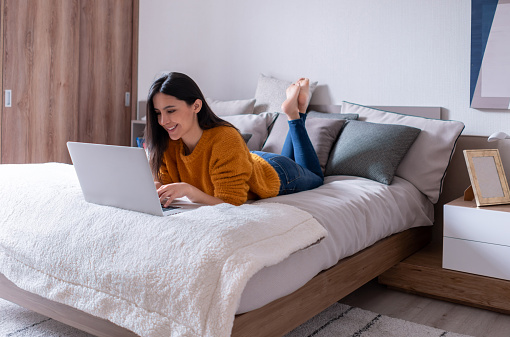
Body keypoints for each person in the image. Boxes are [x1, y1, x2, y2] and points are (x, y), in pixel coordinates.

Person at [145, 72, 324, 207]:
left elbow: (231, 204)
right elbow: (170, 187)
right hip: (247, 160)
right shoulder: (166, 142)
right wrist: (156, 187)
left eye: (171, 111)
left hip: (275, 172)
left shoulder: (225, 139)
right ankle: (296, 111)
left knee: (316, 177)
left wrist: (189, 191)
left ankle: (295, 114)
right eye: (158, 113)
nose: (163, 121)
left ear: (196, 106)